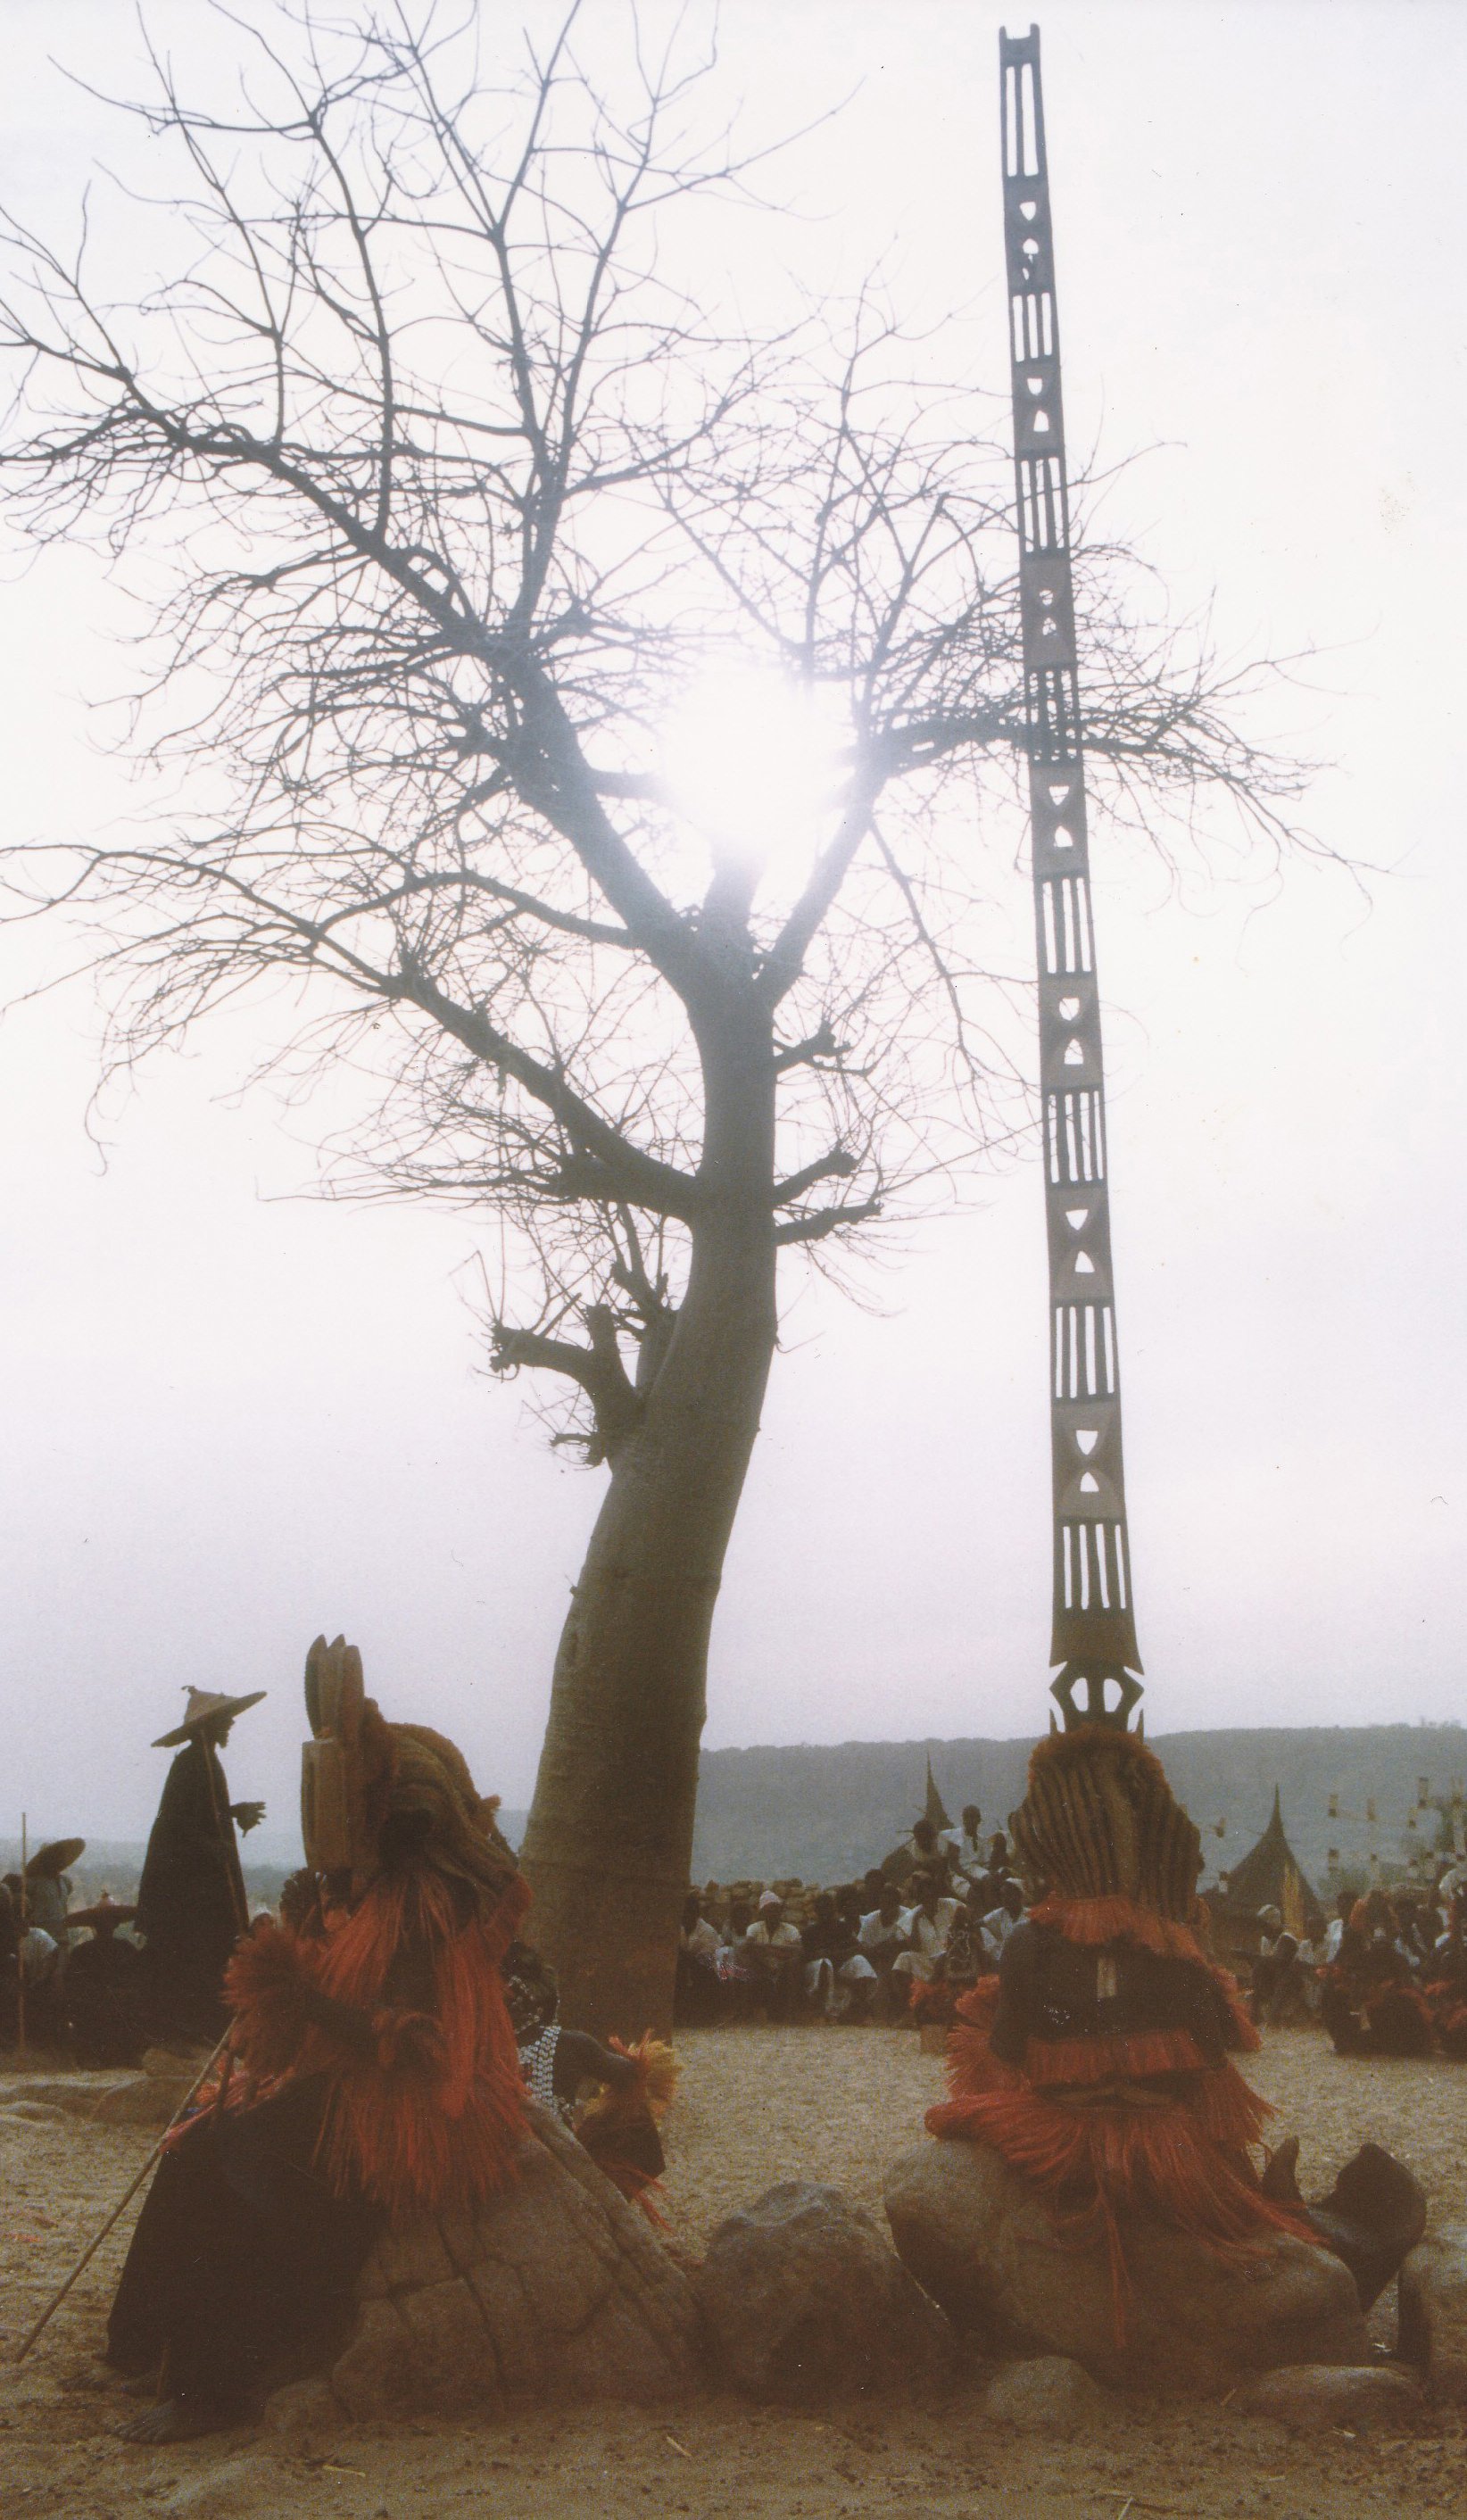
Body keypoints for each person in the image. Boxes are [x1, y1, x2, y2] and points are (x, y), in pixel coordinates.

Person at [107, 1638, 527, 2443]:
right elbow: (337, 1979)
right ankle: (142, 2345)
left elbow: (409, 2043)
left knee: (243, 2168)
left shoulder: (424, 1909)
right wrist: (303, 1930)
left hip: (399, 2112)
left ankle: (213, 2395)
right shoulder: (361, 1893)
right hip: (345, 2080)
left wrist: (301, 1997)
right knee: (196, 2145)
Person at [926, 1723, 1323, 2342]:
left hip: (1058, 2135)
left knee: (958, 2108)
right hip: (1166, 2147)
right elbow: (1220, 2074)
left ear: (1047, 1838)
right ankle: (1261, 2203)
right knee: (1231, 2158)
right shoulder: (1176, 1941)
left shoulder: (1031, 1938)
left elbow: (1003, 2056)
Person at [137, 1687, 267, 2041]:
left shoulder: (206, 1761)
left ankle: (202, 2027)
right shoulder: (192, 1762)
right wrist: (211, 1843)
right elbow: (174, 1825)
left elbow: (202, 1813)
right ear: (206, 1727)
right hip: (190, 1890)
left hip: (203, 1884)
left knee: (209, 1951)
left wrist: (232, 1813)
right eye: (225, 1720)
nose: (231, 1725)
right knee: (196, 1952)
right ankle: (188, 2029)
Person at [65, 1894, 148, 2068]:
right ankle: (96, 2055)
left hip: (121, 2000)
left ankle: (128, 2054)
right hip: (93, 2001)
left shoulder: (125, 1948)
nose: (106, 1925)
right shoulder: (82, 1952)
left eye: (109, 1920)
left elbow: (139, 1977)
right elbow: (74, 1983)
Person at [801, 1889, 878, 2022]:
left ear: (833, 1910)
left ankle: (862, 2008)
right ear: (817, 1912)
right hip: (819, 1972)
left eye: (828, 1909)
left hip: (840, 1966)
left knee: (859, 1961)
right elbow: (806, 1956)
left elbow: (859, 1948)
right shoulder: (810, 1932)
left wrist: (835, 1955)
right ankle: (820, 2011)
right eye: (821, 1909)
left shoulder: (843, 1927)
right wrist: (828, 1957)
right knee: (824, 1963)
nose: (825, 1913)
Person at [891, 1873, 961, 1998]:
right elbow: (915, 1948)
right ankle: (907, 2001)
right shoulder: (911, 1916)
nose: (930, 1899)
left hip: (954, 1956)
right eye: (925, 1897)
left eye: (932, 1895)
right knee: (903, 1958)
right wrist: (916, 1920)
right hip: (928, 1963)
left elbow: (968, 1923)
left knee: (944, 1956)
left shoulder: (952, 1905)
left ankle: (931, 1989)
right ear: (920, 1898)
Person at [742, 1890, 804, 2023]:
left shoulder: (790, 1930)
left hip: (783, 1970)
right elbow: (747, 1947)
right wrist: (777, 1953)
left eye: (776, 1910)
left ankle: (789, 2013)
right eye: (769, 1911)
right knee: (751, 1963)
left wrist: (768, 1949)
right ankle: (755, 2012)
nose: (773, 1914)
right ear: (763, 1913)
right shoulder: (755, 1928)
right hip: (762, 1968)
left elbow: (799, 1949)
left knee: (794, 1964)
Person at [857, 1881, 914, 2024]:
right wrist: (881, 1949)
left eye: (891, 1904)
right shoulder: (871, 1919)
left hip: (900, 1961)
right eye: (884, 1904)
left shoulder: (907, 1915)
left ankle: (901, 2012)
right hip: (876, 1960)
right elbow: (862, 1947)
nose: (887, 1908)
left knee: (893, 1962)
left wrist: (883, 1948)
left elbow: (902, 1944)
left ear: (897, 1904)